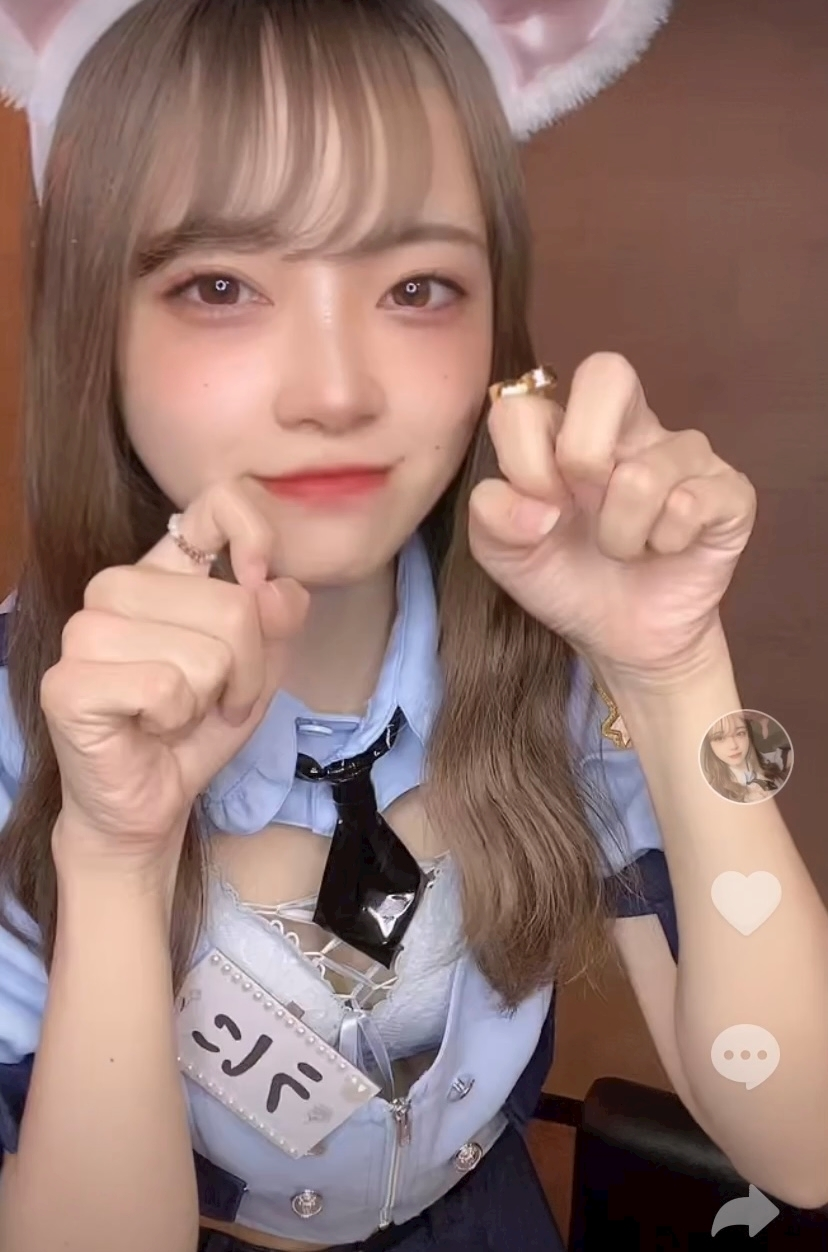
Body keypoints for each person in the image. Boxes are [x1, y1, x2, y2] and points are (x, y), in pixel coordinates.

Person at [0, 3, 827, 1251]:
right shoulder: (18, 730)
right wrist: (115, 861)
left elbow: (804, 1143)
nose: (336, 391)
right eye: (219, 286)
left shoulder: (552, 654)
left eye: (417, 287)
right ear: (92, 326)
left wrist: (671, 671)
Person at [701, 712, 787, 804]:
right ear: (709, 744)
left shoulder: (769, 762)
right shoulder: (712, 794)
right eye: (719, 738)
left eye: (740, 733)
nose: (733, 746)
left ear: (749, 735)